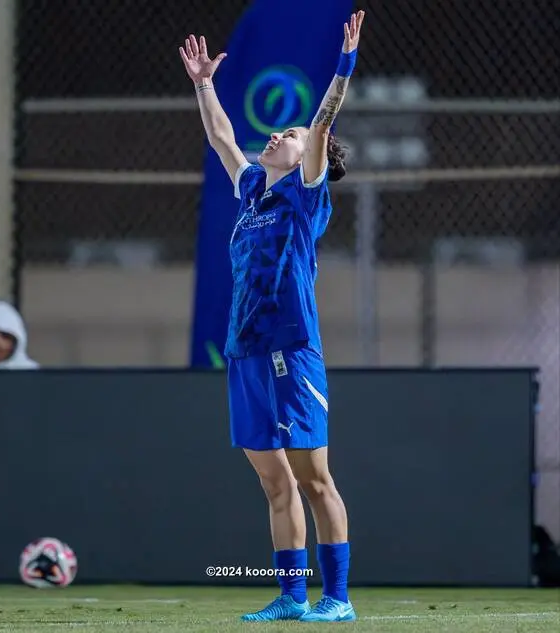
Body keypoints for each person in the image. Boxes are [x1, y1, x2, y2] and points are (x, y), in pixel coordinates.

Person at [180, 10, 365, 623]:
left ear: (309, 152)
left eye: (286, 134)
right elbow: (222, 140)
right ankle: (290, 596)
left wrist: (343, 66)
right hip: (246, 348)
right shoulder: (253, 187)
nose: (276, 137)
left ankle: (335, 599)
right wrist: (204, 83)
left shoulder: (306, 190)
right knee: (272, 481)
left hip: (293, 345)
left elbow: (323, 121)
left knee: (315, 478)